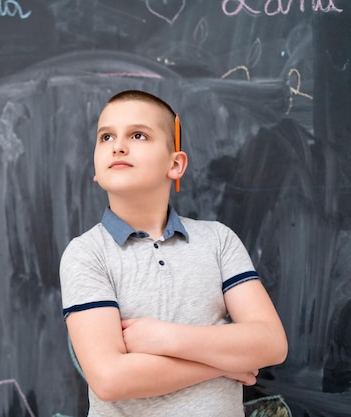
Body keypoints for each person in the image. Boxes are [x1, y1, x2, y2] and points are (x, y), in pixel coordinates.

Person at [59, 90, 288, 416]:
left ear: (175, 164)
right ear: (96, 168)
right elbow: (110, 379)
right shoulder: (86, 254)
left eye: (138, 135)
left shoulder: (218, 240)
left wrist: (165, 337)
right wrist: (224, 363)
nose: (118, 145)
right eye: (106, 136)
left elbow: (271, 344)